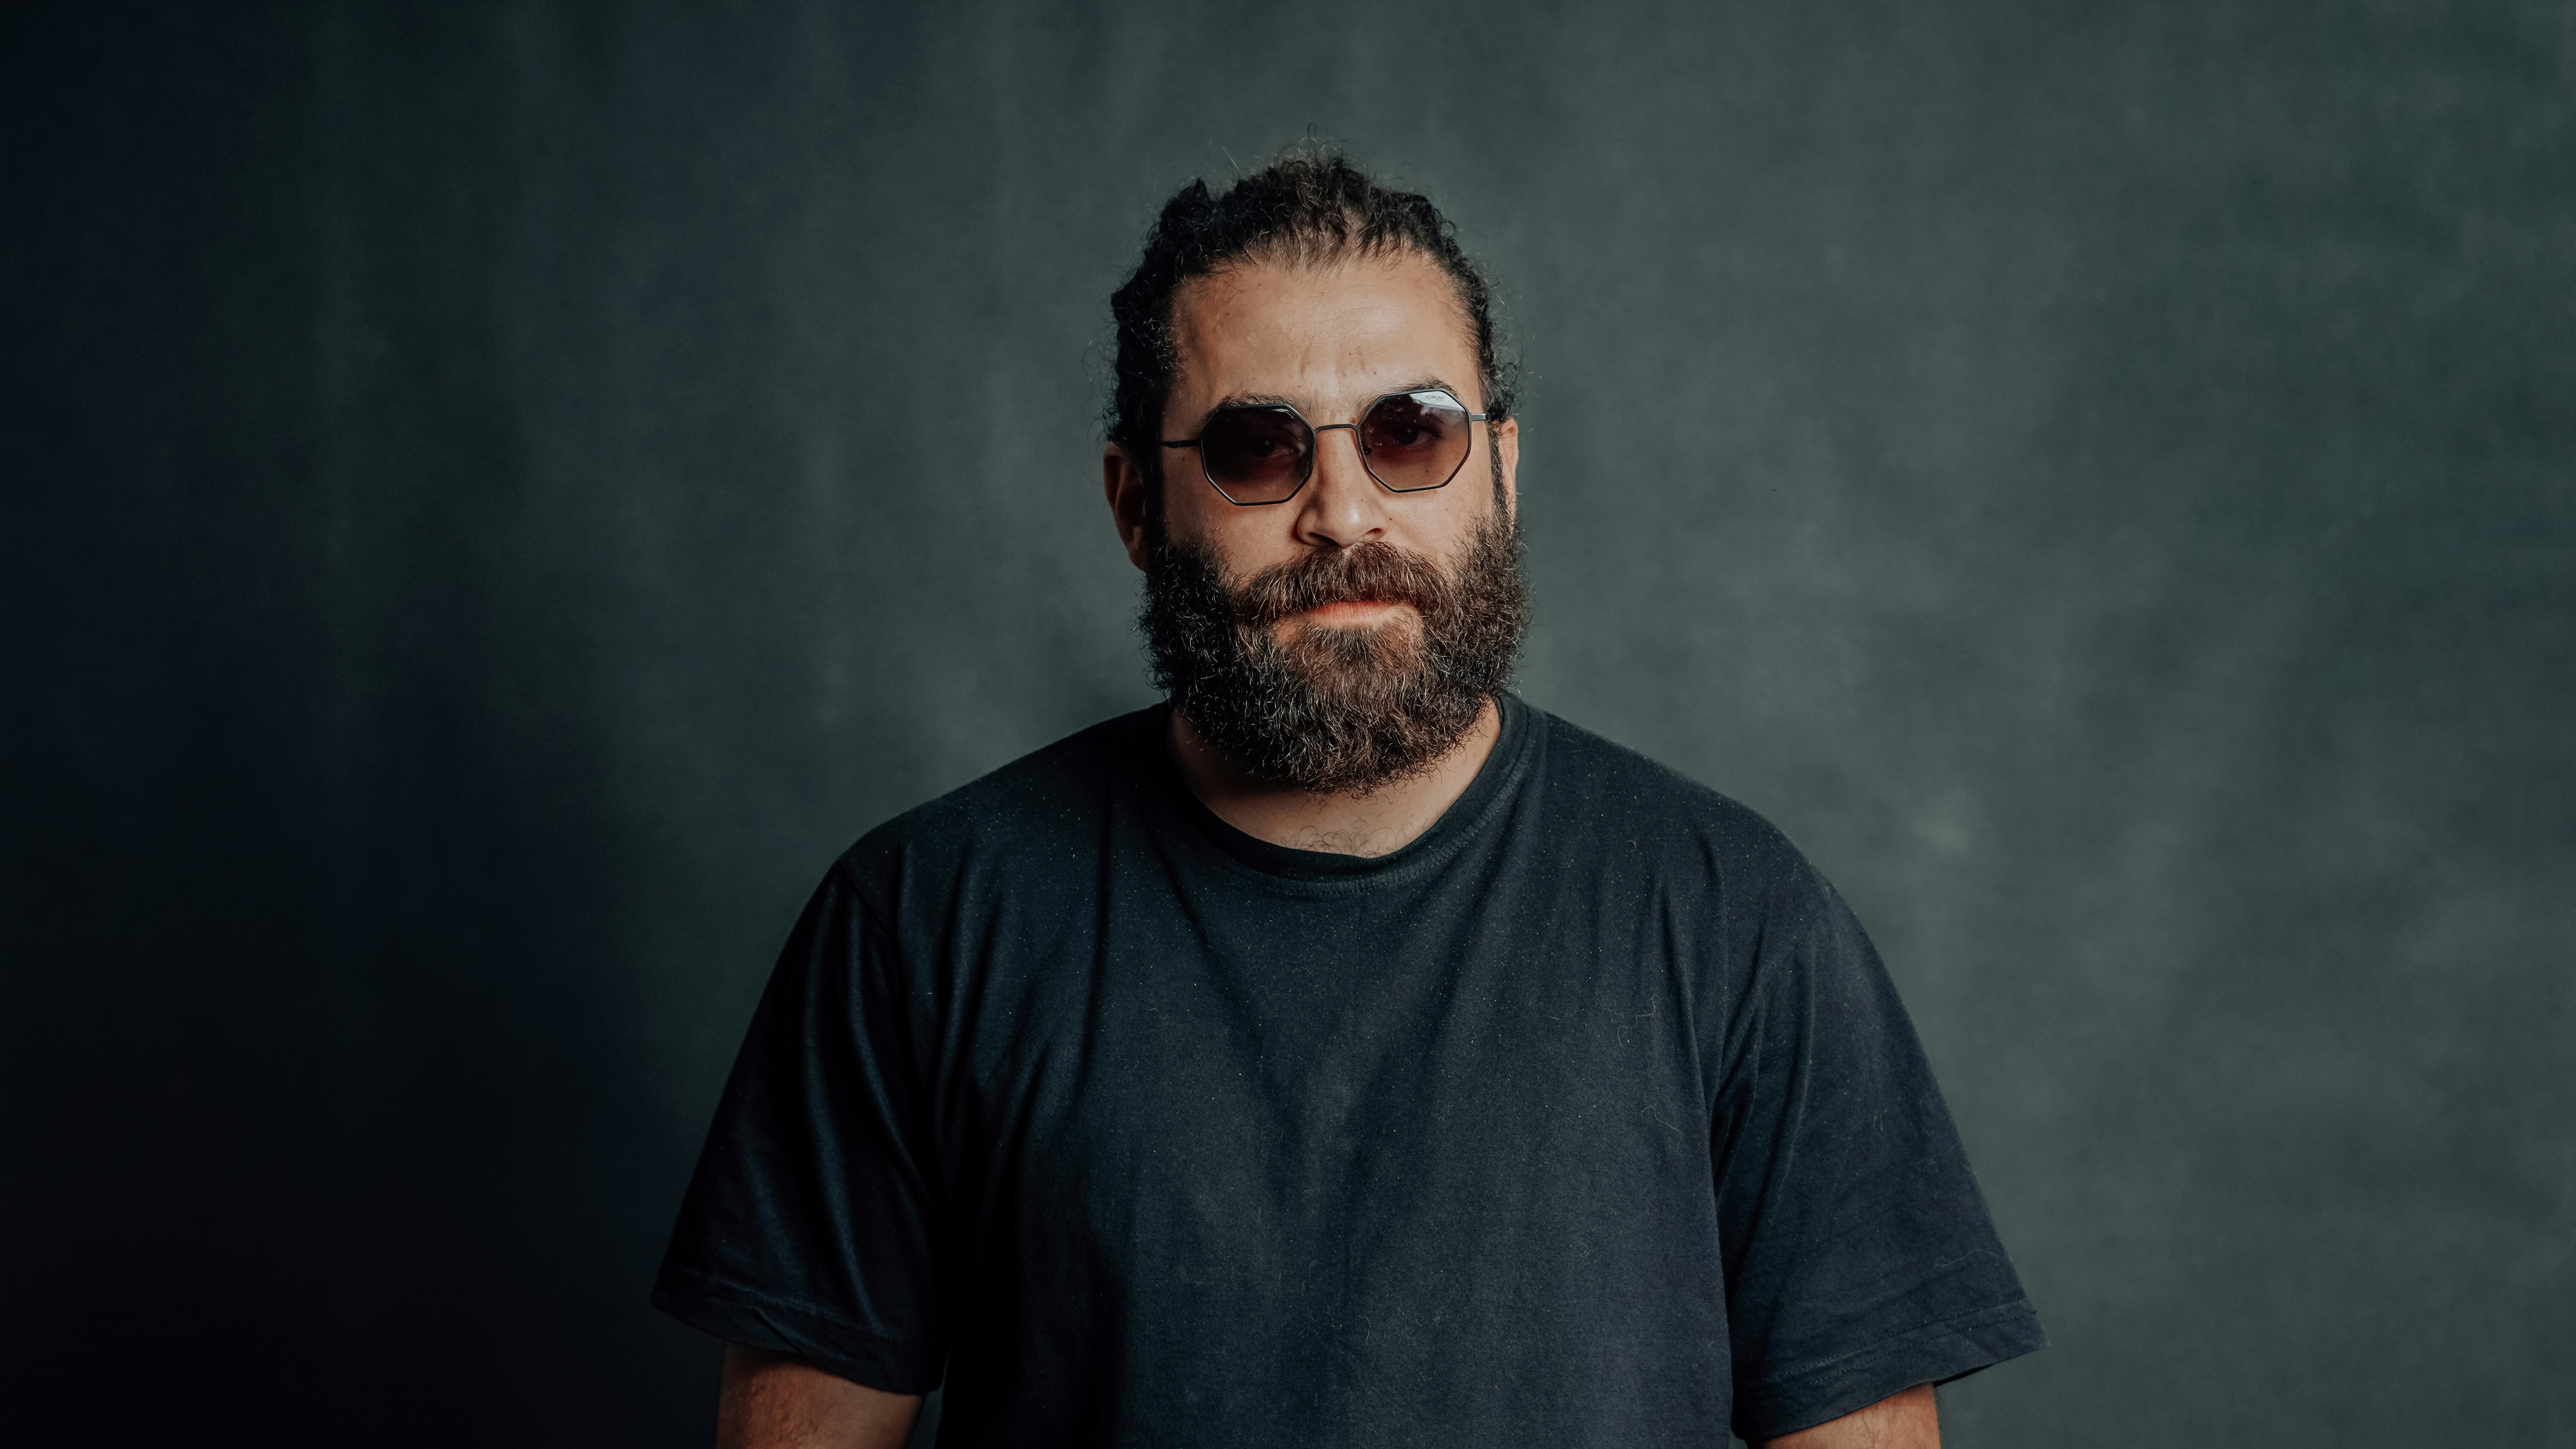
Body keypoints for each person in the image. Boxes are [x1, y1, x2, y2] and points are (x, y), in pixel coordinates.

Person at [652, 148, 2043, 1449]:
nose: (1346, 512)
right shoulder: (922, 925)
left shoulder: (1740, 925)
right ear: (1137, 506)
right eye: (1260, 448)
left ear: (1501, 467)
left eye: (1411, 432)